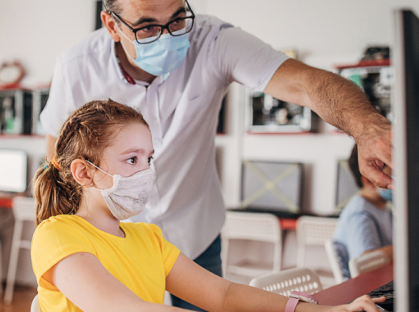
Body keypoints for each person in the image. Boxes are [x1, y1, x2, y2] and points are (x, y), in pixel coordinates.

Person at [40, 0, 392, 309]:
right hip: (103, 235)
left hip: (192, 227)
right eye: (147, 26)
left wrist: (368, 128)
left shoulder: (212, 40)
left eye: (178, 19)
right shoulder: (77, 65)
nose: (167, 35)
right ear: (112, 25)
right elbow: (58, 156)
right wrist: (72, 244)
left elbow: (307, 83)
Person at [31, 99, 384, 312]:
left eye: (149, 159)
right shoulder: (57, 235)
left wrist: (327, 310)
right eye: (132, 160)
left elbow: (224, 294)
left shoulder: (148, 239)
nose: (147, 172)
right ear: (84, 172)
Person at [333, 144, 393, 279]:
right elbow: (365, 263)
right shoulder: (360, 214)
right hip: (363, 293)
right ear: (369, 181)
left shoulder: (384, 209)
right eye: (393, 176)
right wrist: (407, 247)